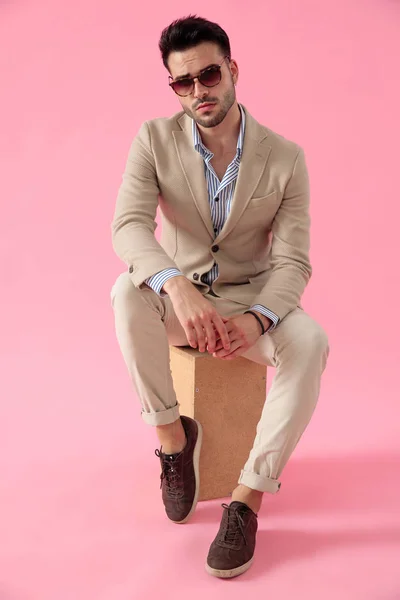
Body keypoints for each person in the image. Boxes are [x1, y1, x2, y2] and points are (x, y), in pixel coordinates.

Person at [110, 15, 329, 579]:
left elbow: (293, 262)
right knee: (125, 293)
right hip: (183, 303)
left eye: (207, 75)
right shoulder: (152, 139)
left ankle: (247, 499)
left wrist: (259, 320)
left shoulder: (286, 158)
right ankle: (172, 439)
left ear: (232, 70)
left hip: (249, 303)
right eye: (182, 82)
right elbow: (128, 227)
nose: (197, 91)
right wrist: (176, 285)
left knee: (310, 341)